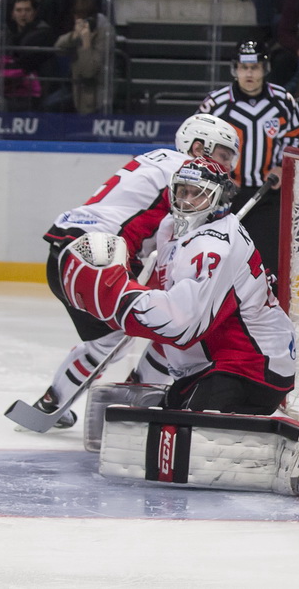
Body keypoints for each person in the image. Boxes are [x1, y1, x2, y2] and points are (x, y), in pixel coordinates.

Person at [27, 114, 241, 429]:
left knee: (110, 340)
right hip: (99, 256)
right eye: (222, 155)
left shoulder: (157, 161)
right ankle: (133, 401)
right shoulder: (186, 174)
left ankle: (53, 402)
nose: (227, 167)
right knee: (174, 324)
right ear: (198, 146)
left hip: (67, 251)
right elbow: (179, 239)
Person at [57, 158, 297, 415]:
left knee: (183, 441)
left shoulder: (215, 247)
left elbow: (180, 325)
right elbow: (167, 292)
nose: (187, 201)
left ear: (217, 198)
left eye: (198, 194)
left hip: (249, 367)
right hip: (208, 363)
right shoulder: (170, 229)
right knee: (154, 433)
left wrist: (115, 295)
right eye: (182, 192)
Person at [197, 39, 299, 287]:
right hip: (224, 197)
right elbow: (197, 147)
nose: (249, 73)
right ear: (235, 69)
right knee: (222, 256)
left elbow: (296, 141)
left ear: (264, 69)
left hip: (268, 196)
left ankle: (269, 308)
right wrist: (217, 175)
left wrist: (284, 166)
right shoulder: (216, 104)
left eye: (255, 67)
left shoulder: (284, 102)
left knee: (268, 259)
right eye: (244, 67)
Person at [46, 0, 109, 113]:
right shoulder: (79, 30)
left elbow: (89, 71)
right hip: (74, 85)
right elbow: (58, 47)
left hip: (93, 90)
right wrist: (74, 36)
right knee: (48, 105)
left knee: (53, 106)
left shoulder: (104, 34)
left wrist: (86, 42)